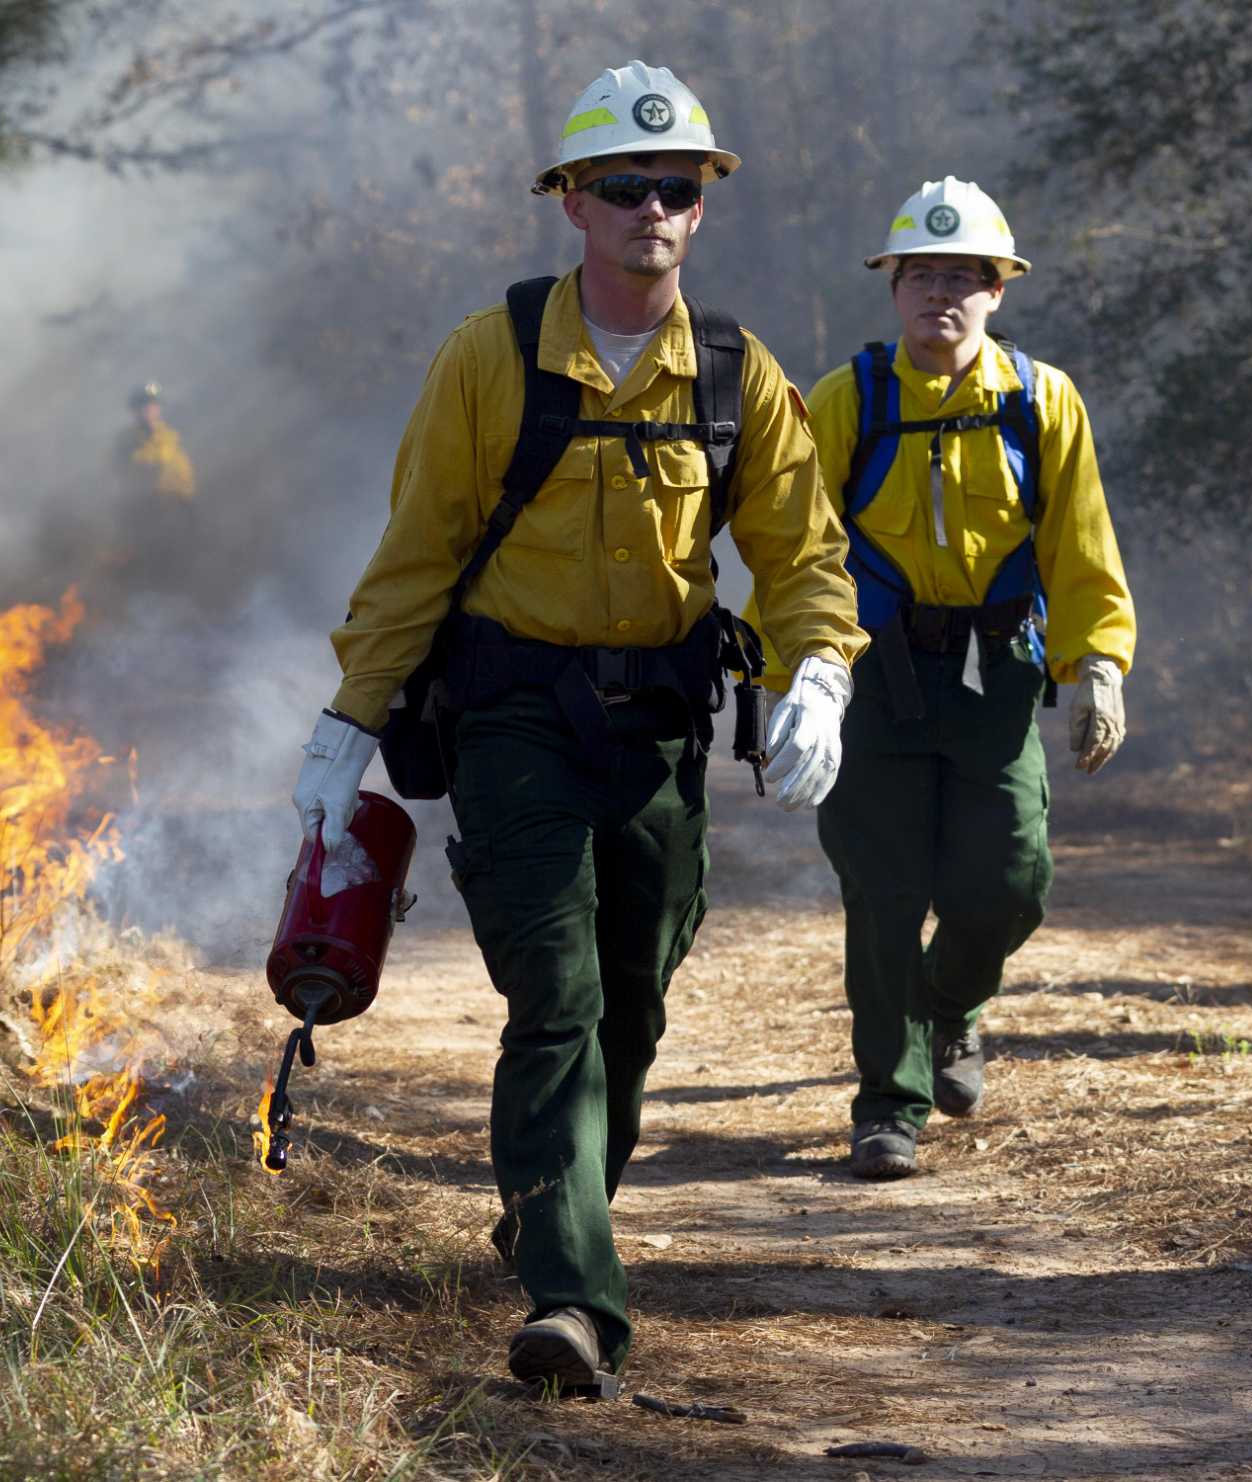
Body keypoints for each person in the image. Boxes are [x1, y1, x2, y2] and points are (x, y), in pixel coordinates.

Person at [289, 62, 866, 1389]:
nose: (653, 209)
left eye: (679, 188)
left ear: (700, 208)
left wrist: (819, 668)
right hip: (510, 722)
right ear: (571, 203)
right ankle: (573, 1297)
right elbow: (419, 551)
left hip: (656, 728)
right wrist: (347, 721)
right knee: (555, 994)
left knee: (634, 1005)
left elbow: (802, 550)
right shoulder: (489, 359)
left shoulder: (734, 373)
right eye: (625, 187)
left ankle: (552, 1207)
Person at [760, 177, 1135, 1180]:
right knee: (880, 895)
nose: (942, 294)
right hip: (870, 680)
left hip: (994, 675)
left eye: (963, 277)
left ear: (997, 292)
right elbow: (792, 547)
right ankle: (888, 1101)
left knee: (1008, 883)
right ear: (891, 288)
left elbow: (1078, 541)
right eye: (921, 274)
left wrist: (1095, 661)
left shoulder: (1037, 399)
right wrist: (791, 679)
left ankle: (951, 1006)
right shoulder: (846, 400)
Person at [117, 382, 196, 502]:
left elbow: (185, 474)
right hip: (143, 505)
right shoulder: (125, 441)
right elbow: (123, 474)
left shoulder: (173, 436)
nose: (149, 408)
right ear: (134, 409)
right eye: (143, 403)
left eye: (153, 403)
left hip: (179, 503)